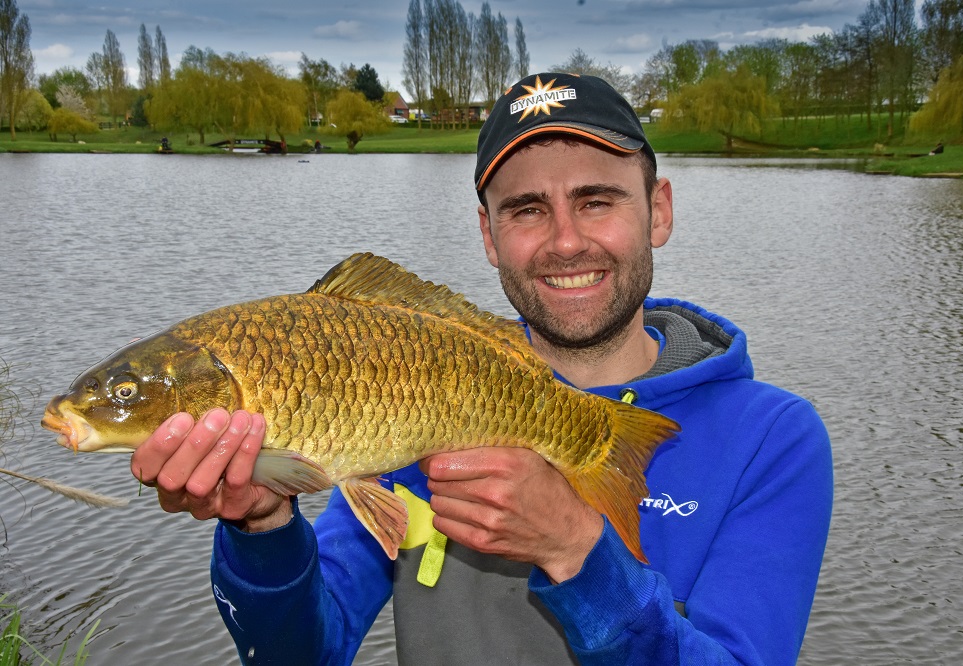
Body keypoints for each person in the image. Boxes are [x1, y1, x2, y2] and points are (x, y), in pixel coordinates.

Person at [131, 72, 833, 665]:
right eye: (527, 209)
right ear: (488, 236)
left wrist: (576, 549)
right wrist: (262, 528)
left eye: (596, 200)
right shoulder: (417, 390)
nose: (565, 241)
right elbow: (301, 653)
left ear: (658, 211)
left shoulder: (772, 439)